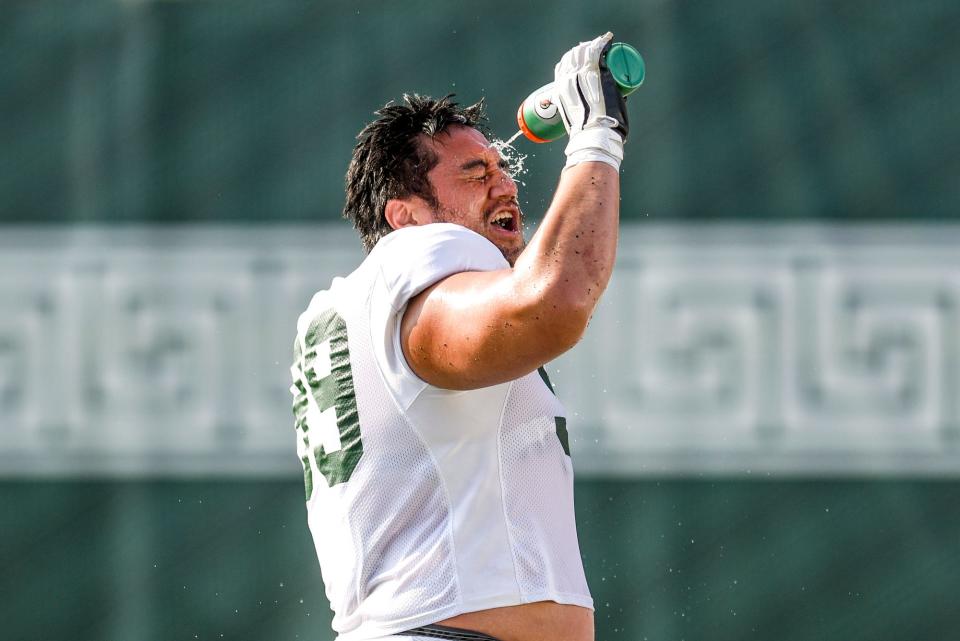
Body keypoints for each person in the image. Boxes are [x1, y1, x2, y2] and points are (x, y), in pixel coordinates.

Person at [290, 32, 629, 641]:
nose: (507, 187)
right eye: (476, 175)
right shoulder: (418, 256)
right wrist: (595, 138)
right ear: (407, 215)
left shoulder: (349, 304)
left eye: (502, 168)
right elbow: (553, 301)